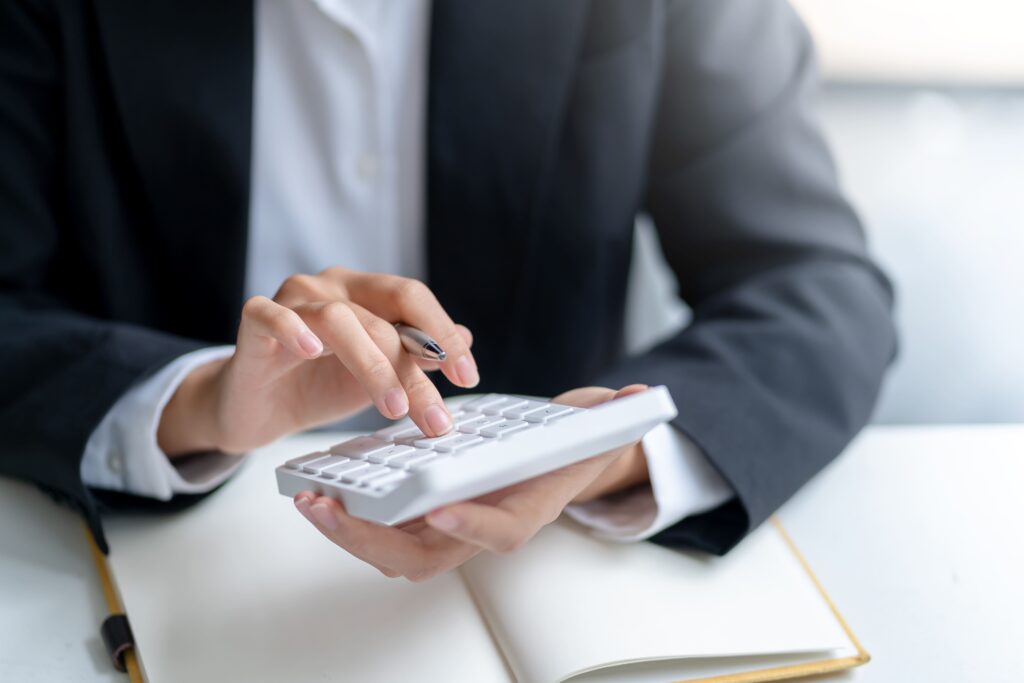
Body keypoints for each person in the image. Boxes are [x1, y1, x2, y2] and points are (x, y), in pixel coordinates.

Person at [0, 0, 896, 581]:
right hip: (138, 563)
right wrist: (196, 401)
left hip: (551, 566)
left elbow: (814, 285)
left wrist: (603, 450)